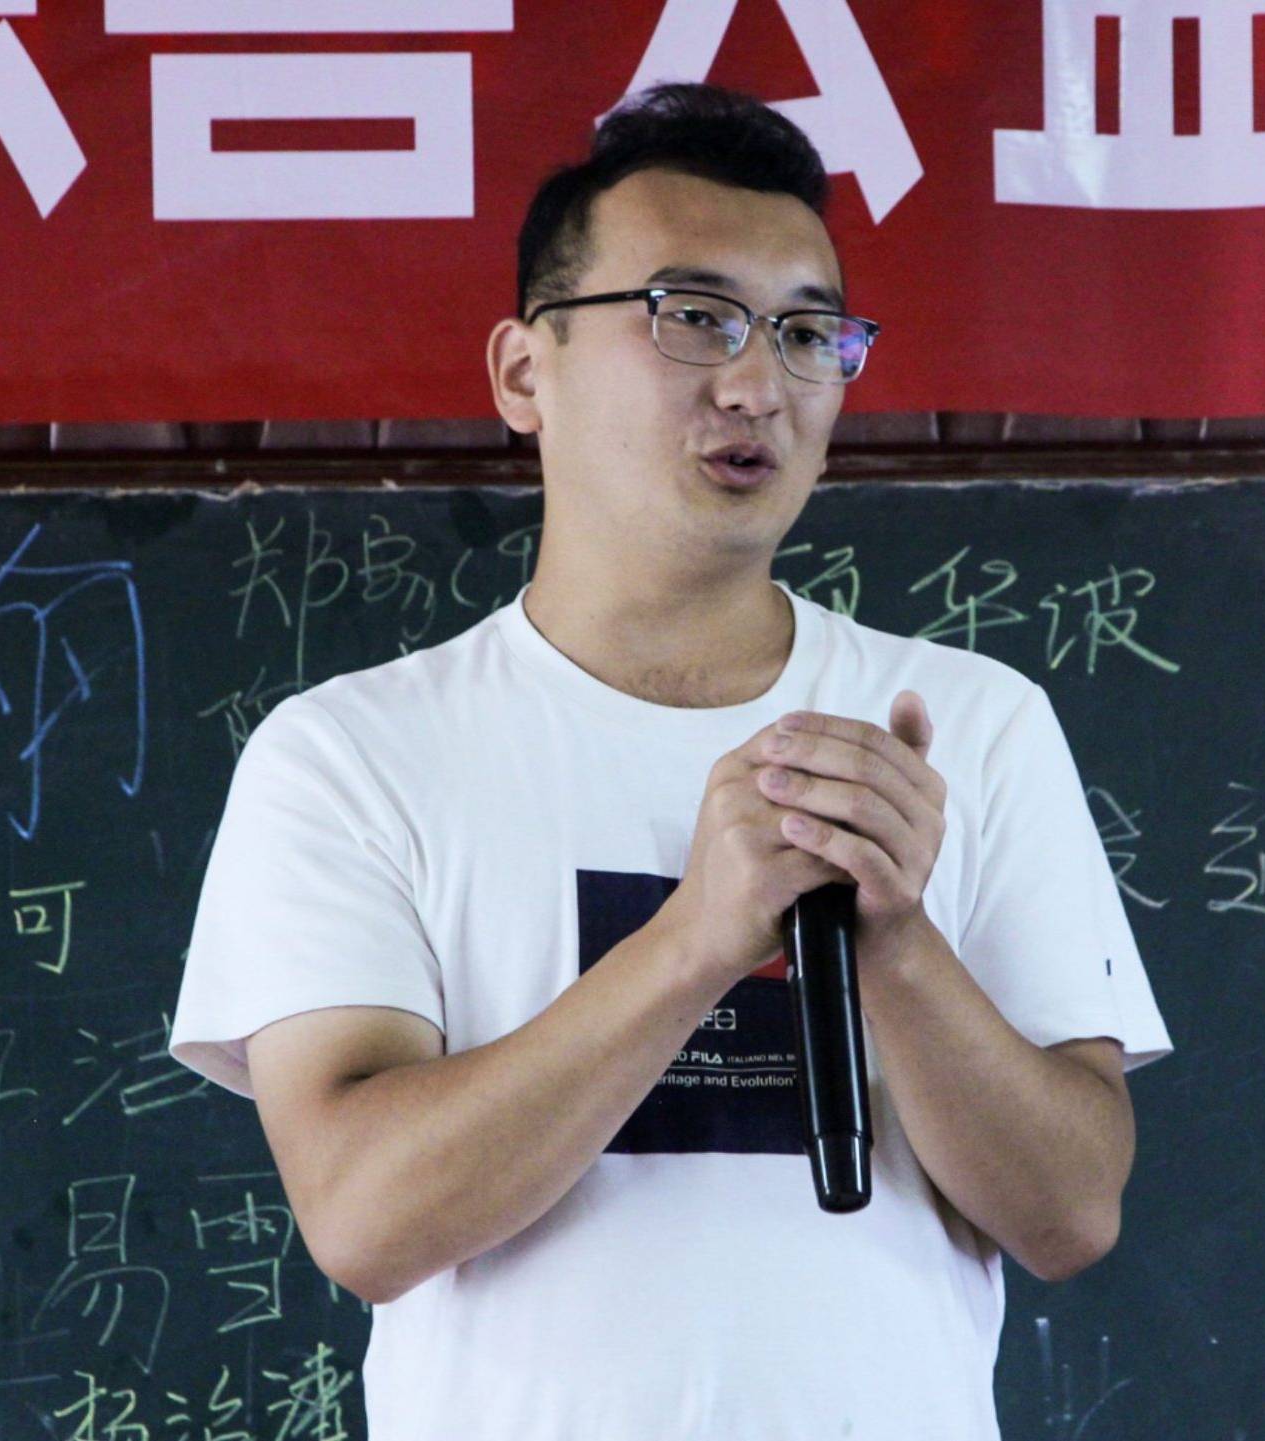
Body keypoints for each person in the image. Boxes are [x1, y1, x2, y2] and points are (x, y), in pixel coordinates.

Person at [168, 81, 1174, 1440]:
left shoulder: (963, 722)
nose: (758, 381)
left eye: (809, 333)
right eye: (692, 317)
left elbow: (1069, 1213)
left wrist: (895, 935)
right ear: (526, 373)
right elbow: (365, 1218)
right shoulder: (353, 753)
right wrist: (697, 936)